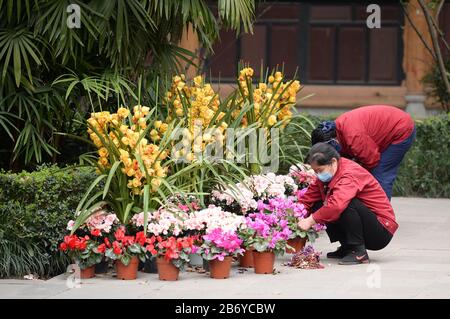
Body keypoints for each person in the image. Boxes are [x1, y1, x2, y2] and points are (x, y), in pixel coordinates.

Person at [297, 143, 398, 265]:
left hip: (381, 231)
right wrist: (294, 215)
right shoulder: (330, 173)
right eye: (315, 171)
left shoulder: (349, 173)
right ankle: (347, 247)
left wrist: (309, 220)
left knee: (345, 204)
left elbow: (337, 205)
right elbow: (309, 198)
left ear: (333, 162)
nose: (318, 175)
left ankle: (358, 251)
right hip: (367, 225)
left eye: (319, 170)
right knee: (318, 204)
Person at [310, 105, 416, 200]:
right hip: (383, 131)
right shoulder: (337, 132)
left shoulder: (354, 137)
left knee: (380, 173)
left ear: (334, 142)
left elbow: (372, 160)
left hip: (401, 129)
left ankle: (382, 218)